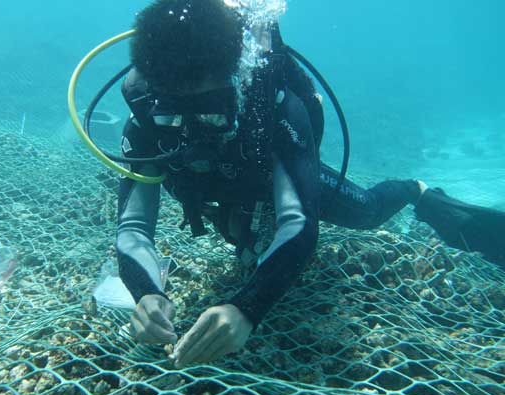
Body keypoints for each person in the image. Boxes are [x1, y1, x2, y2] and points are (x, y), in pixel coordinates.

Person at [114, 0, 505, 368]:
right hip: (227, 192)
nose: (192, 133)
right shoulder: (146, 115)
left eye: (209, 114)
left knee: (367, 211)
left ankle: (416, 190)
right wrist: (146, 292)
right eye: (173, 115)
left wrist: (247, 307)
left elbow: (299, 223)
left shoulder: (275, 109)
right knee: (245, 241)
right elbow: (133, 227)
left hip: (274, 177)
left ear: (237, 81)